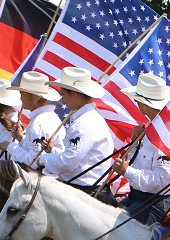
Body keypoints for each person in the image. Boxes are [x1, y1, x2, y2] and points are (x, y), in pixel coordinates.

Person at [114, 73, 170, 225]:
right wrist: (134, 142)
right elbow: (137, 162)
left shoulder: (165, 135)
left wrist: (127, 171)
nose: (135, 102)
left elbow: (161, 181)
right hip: (140, 197)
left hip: (155, 201)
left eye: (137, 99)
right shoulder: (152, 128)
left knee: (119, 231)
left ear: (144, 105)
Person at [37, 67, 115, 195]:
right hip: (84, 187)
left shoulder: (83, 124)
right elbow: (78, 158)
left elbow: (67, 163)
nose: (63, 99)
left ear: (74, 93)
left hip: (83, 191)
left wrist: (44, 158)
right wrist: (53, 151)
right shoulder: (89, 118)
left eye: (64, 94)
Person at [6, 72, 63, 166]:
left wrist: (10, 146)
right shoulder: (48, 116)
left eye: (21, 94)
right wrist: (21, 138)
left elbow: (33, 162)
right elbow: (34, 151)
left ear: (28, 97)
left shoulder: (39, 123)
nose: (20, 98)